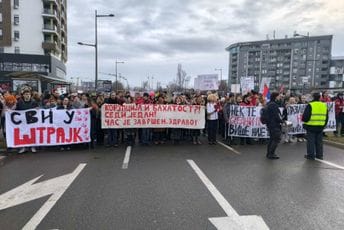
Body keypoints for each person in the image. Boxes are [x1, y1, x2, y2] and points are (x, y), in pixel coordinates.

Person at [302, 92, 329, 160]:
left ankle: (311, 155)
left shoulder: (310, 105)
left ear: (313, 97)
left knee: (311, 141)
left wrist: (304, 121)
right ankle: (319, 155)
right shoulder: (324, 105)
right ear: (320, 97)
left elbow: (305, 117)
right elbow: (326, 117)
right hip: (320, 126)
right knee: (319, 141)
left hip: (311, 126)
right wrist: (324, 124)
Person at [266, 92, 283, 159]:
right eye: (279, 96)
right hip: (274, 124)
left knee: (272, 139)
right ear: (276, 97)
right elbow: (277, 116)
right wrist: (281, 121)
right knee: (276, 139)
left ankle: (269, 153)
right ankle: (271, 154)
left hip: (270, 124)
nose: (279, 97)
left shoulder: (269, 104)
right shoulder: (273, 105)